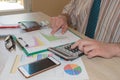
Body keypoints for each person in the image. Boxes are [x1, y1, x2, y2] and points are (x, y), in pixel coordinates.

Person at [50, 0, 120, 58]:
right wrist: (64, 18)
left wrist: (113, 48)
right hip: (79, 53)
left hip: (110, 62)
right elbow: (70, 14)